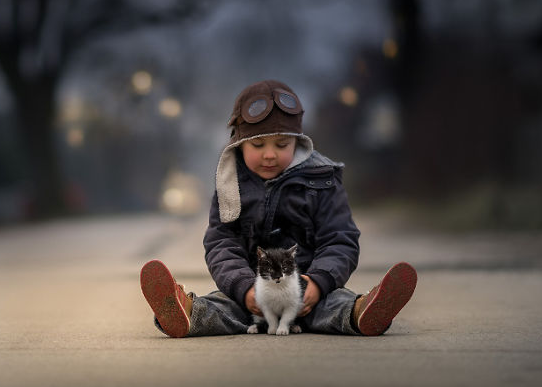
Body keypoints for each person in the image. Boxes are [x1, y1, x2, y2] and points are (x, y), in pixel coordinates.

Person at [140, 79, 417, 337]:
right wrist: (244, 288)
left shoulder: (322, 179)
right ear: (238, 144)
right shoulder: (230, 184)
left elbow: (340, 238)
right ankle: (187, 313)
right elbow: (221, 243)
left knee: (336, 303)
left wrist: (319, 283)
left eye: (281, 144)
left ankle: (362, 312)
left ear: (297, 142)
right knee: (223, 304)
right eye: (258, 144)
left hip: (307, 291)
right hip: (253, 294)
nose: (269, 154)